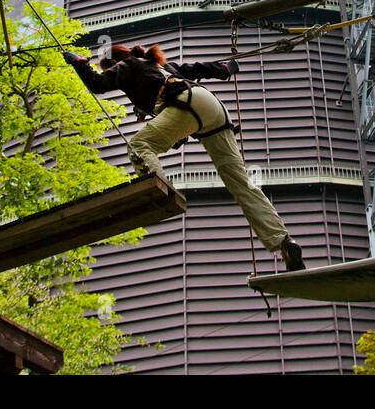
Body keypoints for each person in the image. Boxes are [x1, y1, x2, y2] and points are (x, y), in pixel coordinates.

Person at [62, 43, 305, 272]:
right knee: (240, 182)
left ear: (113, 62)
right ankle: (284, 242)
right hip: (211, 107)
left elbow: (96, 84)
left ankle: (157, 192)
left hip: (186, 104)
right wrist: (225, 69)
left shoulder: (126, 65)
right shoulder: (159, 66)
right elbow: (196, 69)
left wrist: (79, 63)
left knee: (138, 146)